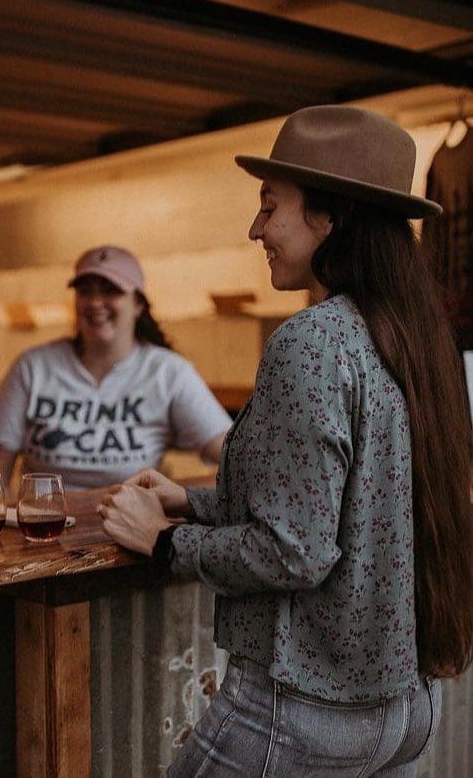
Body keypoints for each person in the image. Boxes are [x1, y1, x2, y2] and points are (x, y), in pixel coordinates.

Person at [98, 106, 473, 775]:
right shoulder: (417, 338)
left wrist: (163, 541)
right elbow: (351, 507)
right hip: (407, 711)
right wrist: (191, 502)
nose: (256, 228)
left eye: (270, 206)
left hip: (302, 713)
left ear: (331, 217)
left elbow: (294, 551)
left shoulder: (311, 341)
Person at [0, 244, 232, 500]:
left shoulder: (168, 373)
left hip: (129, 522)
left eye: (111, 290)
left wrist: (178, 498)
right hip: (46, 521)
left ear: (138, 304)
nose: (95, 302)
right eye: (85, 291)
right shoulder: (32, 367)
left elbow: (235, 462)